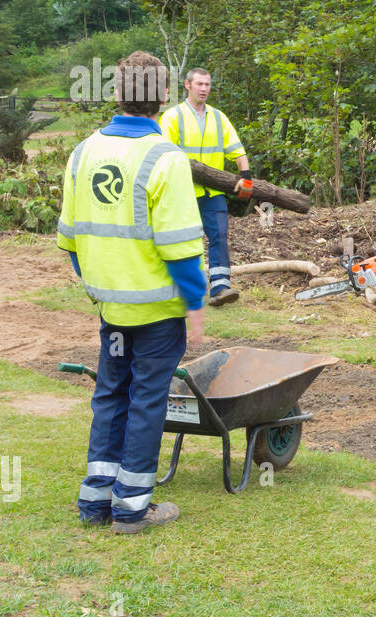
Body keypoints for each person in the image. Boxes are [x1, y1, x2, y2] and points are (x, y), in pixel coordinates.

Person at [57, 51, 208, 535]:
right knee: (147, 400)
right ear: (164, 97)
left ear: (117, 92)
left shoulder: (83, 152)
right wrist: (197, 304)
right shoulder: (165, 157)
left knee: (110, 395)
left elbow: (71, 239)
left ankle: (96, 500)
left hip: (111, 308)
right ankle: (132, 508)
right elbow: (181, 247)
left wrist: (100, 287)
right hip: (159, 312)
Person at [159, 67, 252, 306]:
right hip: (182, 191)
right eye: (199, 84)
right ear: (187, 85)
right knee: (183, 240)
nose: (204, 89)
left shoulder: (218, 118)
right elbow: (163, 155)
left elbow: (236, 150)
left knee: (219, 234)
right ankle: (179, 287)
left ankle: (220, 288)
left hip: (213, 192)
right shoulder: (172, 117)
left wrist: (247, 177)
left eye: (207, 85)